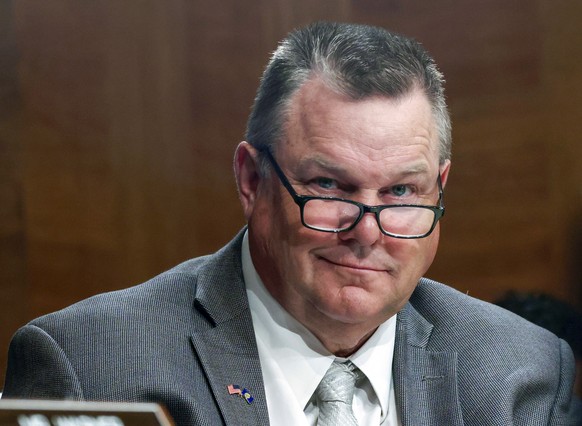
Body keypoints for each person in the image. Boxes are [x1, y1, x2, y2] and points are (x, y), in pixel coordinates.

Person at [2, 22, 580, 425]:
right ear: (252, 181)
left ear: (440, 190)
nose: (368, 231)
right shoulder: (91, 362)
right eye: (329, 186)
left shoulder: (519, 372)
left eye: (402, 191)